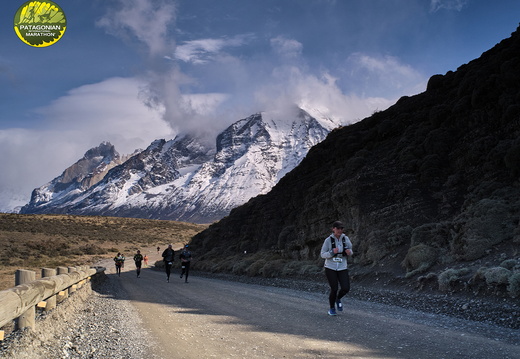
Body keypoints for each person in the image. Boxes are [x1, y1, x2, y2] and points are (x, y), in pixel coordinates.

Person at [320, 221, 353, 316]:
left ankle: (338, 298)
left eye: (341, 228)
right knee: (334, 288)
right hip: (330, 267)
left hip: (342, 267)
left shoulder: (345, 239)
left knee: (346, 288)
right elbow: (322, 254)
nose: (340, 230)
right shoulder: (328, 240)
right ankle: (331, 308)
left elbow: (351, 251)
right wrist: (331, 252)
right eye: (338, 228)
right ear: (333, 229)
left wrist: (349, 252)